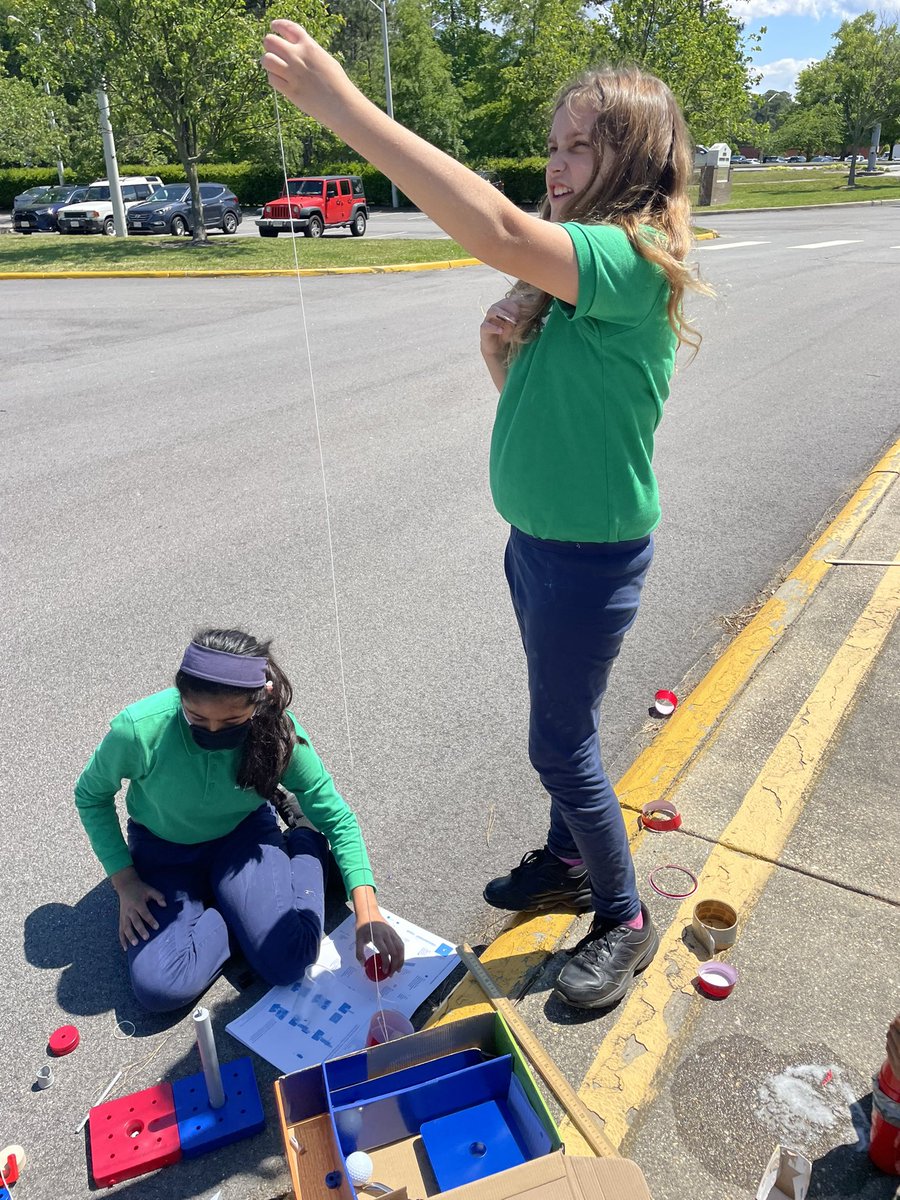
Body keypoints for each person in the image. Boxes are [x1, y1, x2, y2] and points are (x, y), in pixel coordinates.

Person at [261, 26, 708, 1009]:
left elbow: (499, 230)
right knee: (566, 720)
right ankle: (566, 857)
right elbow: (548, 407)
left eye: (579, 146)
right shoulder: (575, 280)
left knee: (560, 743)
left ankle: (624, 913)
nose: (556, 162)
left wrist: (345, 110)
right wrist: (500, 354)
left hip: (589, 559)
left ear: (632, 163)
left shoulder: (630, 260)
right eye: (551, 144)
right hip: (543, 547)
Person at [74, 629, 404, 1012]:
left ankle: (304, 840)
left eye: (231, 722)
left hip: (242, 840)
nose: (212, 732)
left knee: (289, 961)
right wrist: (125, 881)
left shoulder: (278, 732)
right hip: (163, 852)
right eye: (196, 718)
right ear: (180, 696)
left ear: (259, 699)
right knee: (160, 987)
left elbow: (337, 816)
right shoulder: (138, 729)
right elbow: (90, 795)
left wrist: (367, 913)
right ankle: (244, 912)